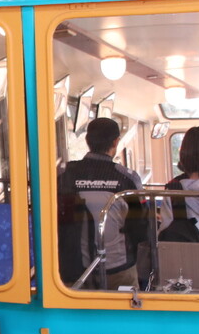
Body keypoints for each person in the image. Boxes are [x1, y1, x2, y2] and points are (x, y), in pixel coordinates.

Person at [57, 117, 150, 290]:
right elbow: (141, 225)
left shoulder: (64, 174)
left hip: (73, 269)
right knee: (127, 305)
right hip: (119, 267)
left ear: (87, 140)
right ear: (115, 142)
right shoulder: (127, 178)